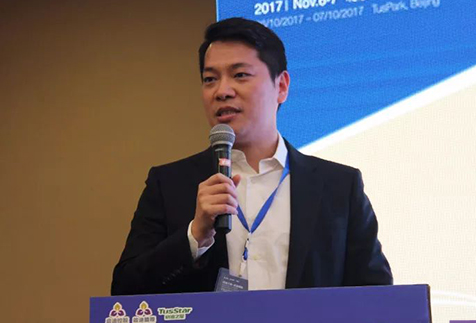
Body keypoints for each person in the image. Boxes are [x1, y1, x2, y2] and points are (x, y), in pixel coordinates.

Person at [111, 17, 392, 295]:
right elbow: (125, 293)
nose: (222, 91)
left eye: (240, 75)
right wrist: (195, 236)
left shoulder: (339, 186)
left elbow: (377, 296)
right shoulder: (169, 184)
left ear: (281, 86)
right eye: (210, 79)